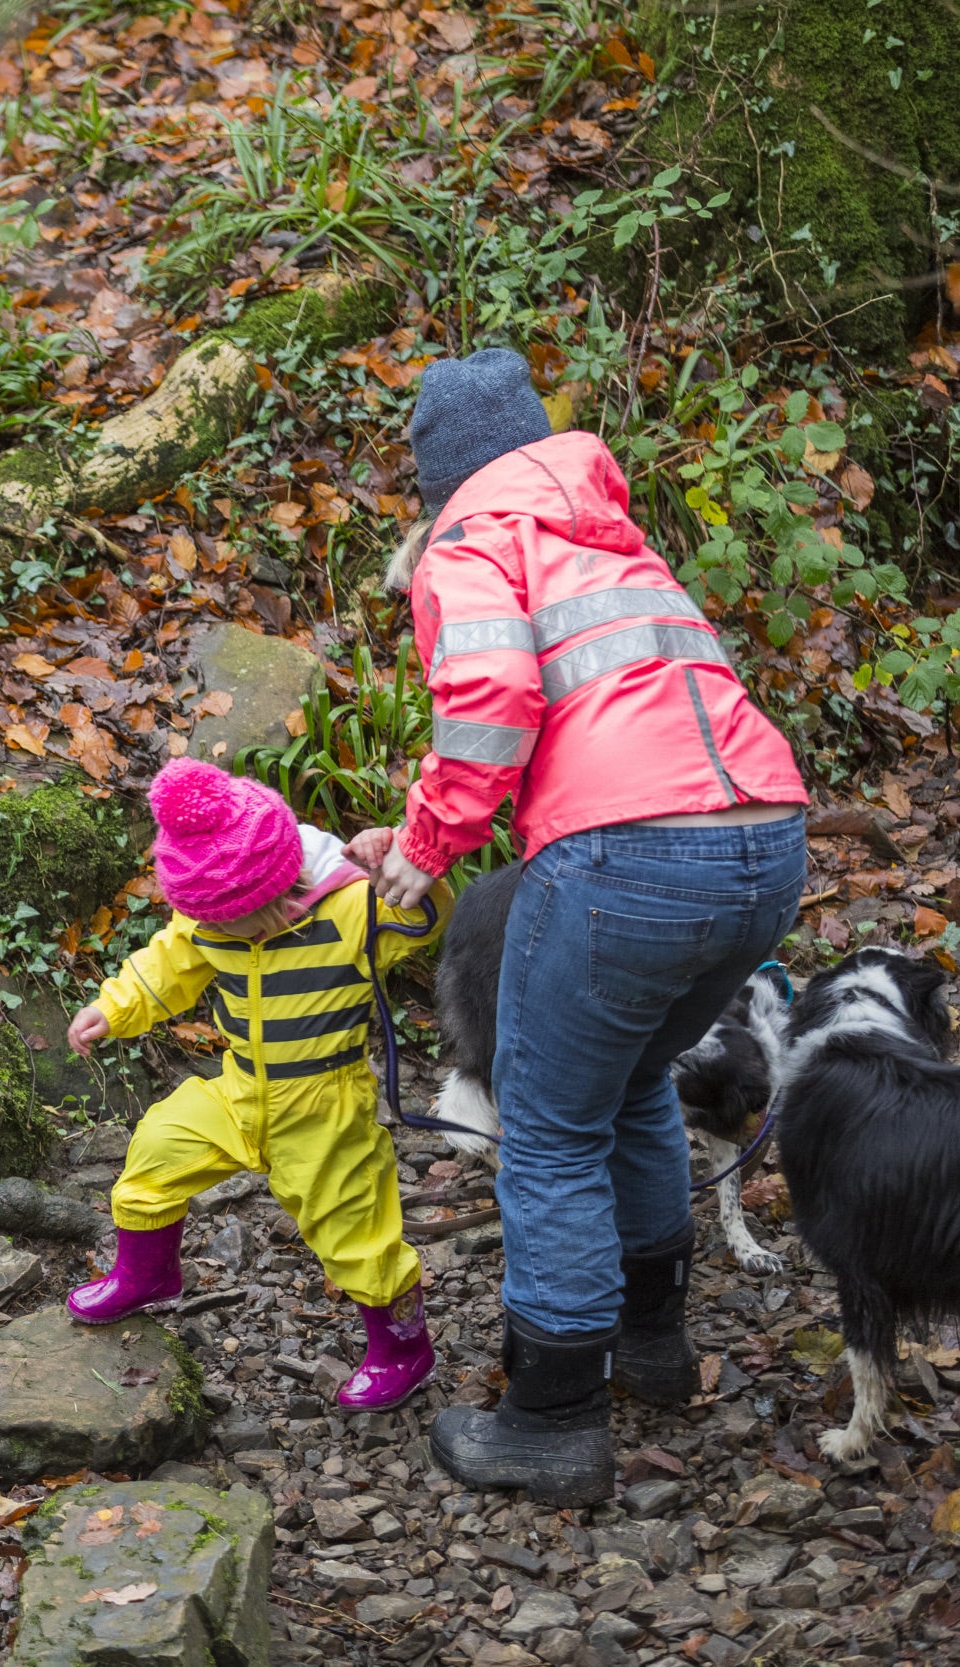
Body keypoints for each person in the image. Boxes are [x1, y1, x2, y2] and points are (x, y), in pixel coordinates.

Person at [353, 348, 808, 1505]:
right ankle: (653, 1348)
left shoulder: (469, 540)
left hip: (628, 852)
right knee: (639, 1077)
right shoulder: (606, 530)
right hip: (763, 839)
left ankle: (553, 1416)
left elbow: (492, 705)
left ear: (440, 478)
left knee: (550, 1125)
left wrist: (417, 854)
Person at [63, 756, 451, 1412]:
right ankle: (148, 1271)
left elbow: (426, 921)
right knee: (159, 1142)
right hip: (241, 1087)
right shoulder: (210, 913)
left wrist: (399, 864)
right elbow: (169, 963)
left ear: (279, 889)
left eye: (234, 924)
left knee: (356, 1228)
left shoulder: (350, 905)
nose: (220, 936)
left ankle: (402, 1345)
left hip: (326, 1101)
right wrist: (116, 1005)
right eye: (210, 926)